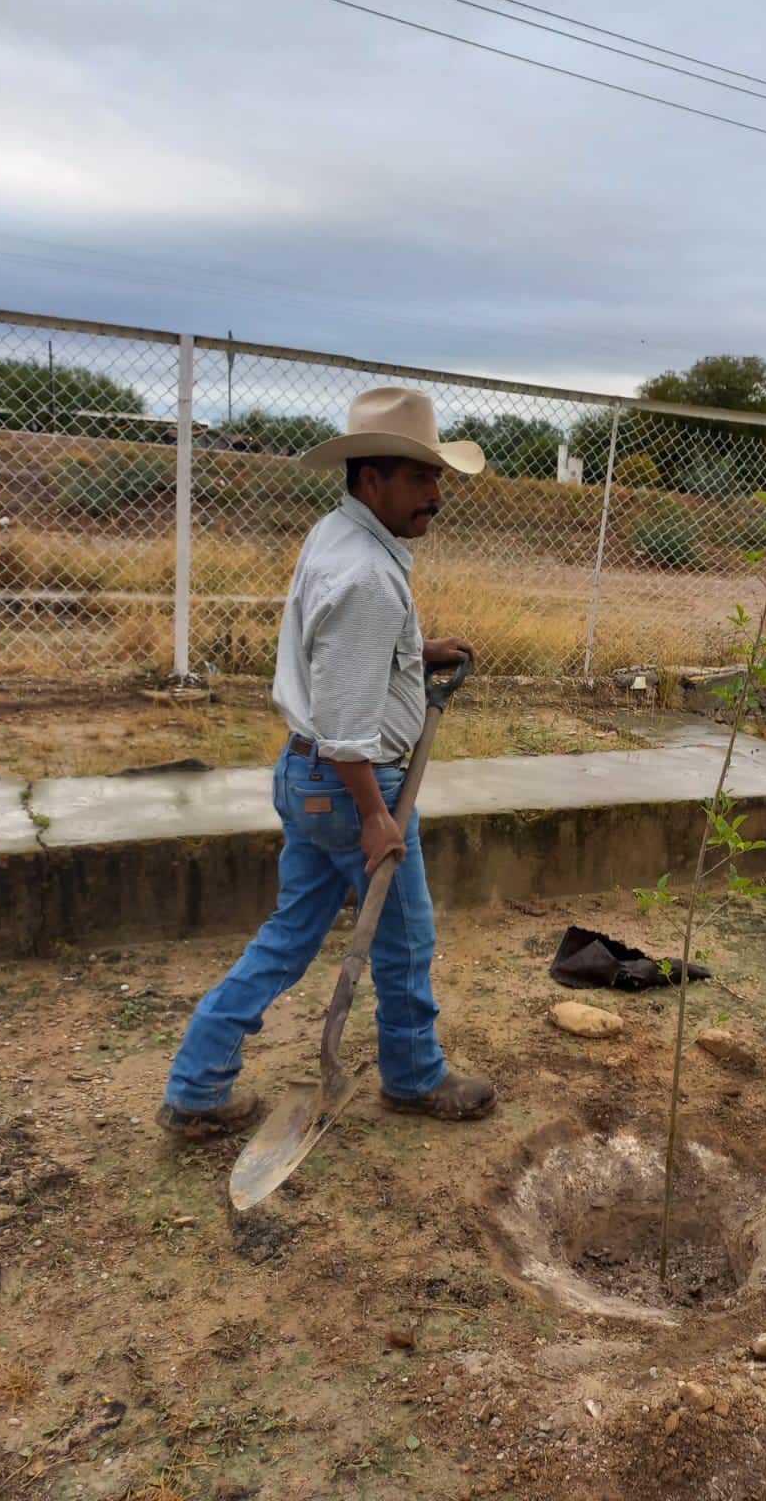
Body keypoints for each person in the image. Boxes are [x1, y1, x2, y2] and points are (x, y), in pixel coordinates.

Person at [158, 387, 496, 1135]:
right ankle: (412, 1078)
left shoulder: (341, 536)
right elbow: (347, 724)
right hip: (349, 785)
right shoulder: (370, 577)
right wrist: (376, 816)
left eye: (437, 479)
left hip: (305, 775)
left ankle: (196, 1088)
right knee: (408, 940)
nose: (436, 497)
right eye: (419, 479)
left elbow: (335, 649)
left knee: (288, 936)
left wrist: (416, 651)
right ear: (370, 479)